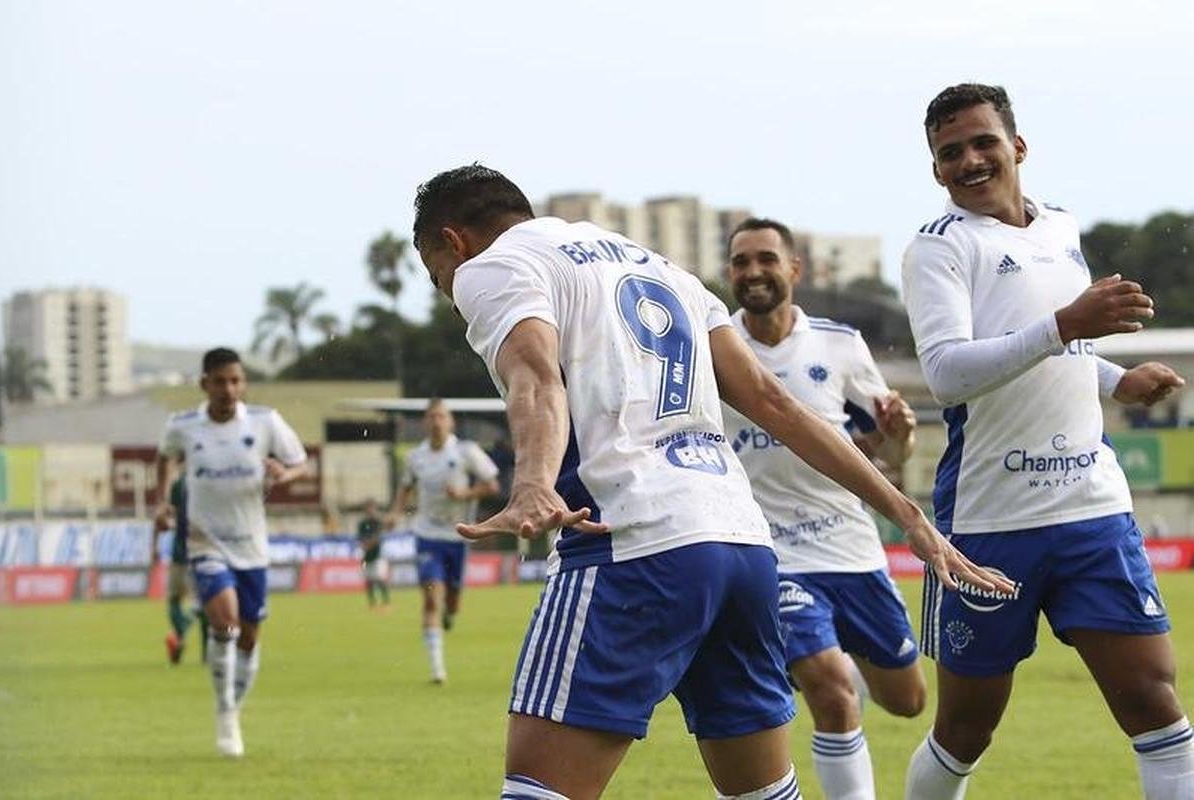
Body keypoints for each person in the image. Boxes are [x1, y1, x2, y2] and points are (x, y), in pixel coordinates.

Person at [410, 164, 1009, 800]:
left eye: (435, 275)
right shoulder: (664, 269)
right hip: (741, 550)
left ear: (454, 242)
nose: (449, 295)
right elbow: (777, 405)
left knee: (539, 790)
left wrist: (531, 480)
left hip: (630, 543)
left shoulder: (495, 265)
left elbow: (534, 374)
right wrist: (909, 515)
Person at [901, 84, 1190, 799]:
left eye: (981, 142)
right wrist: (1066, 324)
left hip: (1091, 508)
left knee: (1156, 708)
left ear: (1016, 147)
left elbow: (1050, 349)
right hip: (990, 523)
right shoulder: (937, 249)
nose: (968, 160)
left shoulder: (1059, 229)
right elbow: (945, 374)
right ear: (935, 169)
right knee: (965, 731)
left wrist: (1114, 379)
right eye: (949, 152)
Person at [723, 217, 926, 799]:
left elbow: (890, 450)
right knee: (832, 689)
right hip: (770, 553)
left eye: (765, 259)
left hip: (849, 546)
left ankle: (838, 657)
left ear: (793, 269)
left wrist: (900, 434)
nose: (753, 271)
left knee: (907, 700)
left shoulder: (839, 344)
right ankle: (823, 663)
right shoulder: (716, 348)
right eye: (740, 262)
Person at [155, 347, 308, 758]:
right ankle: (225, 714)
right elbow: (166, 458)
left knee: (250, 635)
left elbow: (300, 463)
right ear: (204, 384)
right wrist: (163, 502)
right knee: (224, 621)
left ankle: (234, 708)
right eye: (220, 381)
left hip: (251, 545)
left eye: (236, 380)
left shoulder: (264, 422)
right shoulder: (184, 426)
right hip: (205, 541)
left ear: (243, 383)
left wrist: (284, 472)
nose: (229, 388)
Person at [387, 398, 500, 683]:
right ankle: (438, 670)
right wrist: (395, 513)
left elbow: (492, 485)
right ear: (425, 422)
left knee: (451, 603)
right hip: (427, 535)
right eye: (432, 416)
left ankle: (450, 613)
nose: (436, 421)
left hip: (458, 535)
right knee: (430, 600)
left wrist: (464, 495)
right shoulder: (416, 457)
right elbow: (405, 488)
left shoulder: (465, 451)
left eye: (441, 416)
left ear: (451, 422)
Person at [151, 472, 208, 664]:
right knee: (203, 604)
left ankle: (180, 636)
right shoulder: (206, 478)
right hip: (199, 552)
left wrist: (155, 545)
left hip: (187, 552)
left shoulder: (180, 482)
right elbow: (166, 514)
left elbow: (165, 515)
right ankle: (205, 653)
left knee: (177, 600)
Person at [357, 498, 390, 610]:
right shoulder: (362, 524)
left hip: (378, 555)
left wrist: (370, 543)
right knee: (369, 580)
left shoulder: (378, 522)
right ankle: (372, 603)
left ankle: (386, 602)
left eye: (372, 508)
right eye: (368, 508)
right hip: (366, 556)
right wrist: (366, 544)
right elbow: (361, 539)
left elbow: (379, 538)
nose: (370, 510)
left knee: (380, 578)